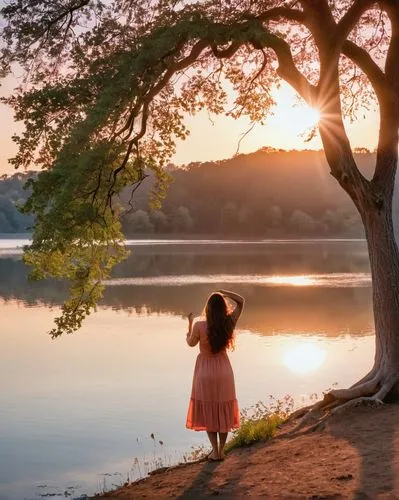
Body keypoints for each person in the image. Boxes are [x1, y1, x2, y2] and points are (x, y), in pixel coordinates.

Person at [185, 289, 244, 461]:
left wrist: (189, 324)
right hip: (224, 370)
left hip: (205, 372)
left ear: (208, 308)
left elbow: (190, 343)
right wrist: (224, 292)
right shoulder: (229, 322)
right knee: (223, 409)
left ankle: (215, 452)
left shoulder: (199, 325)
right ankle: (222, 450)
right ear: (223, 307)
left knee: (209, 409)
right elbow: (241, 301)